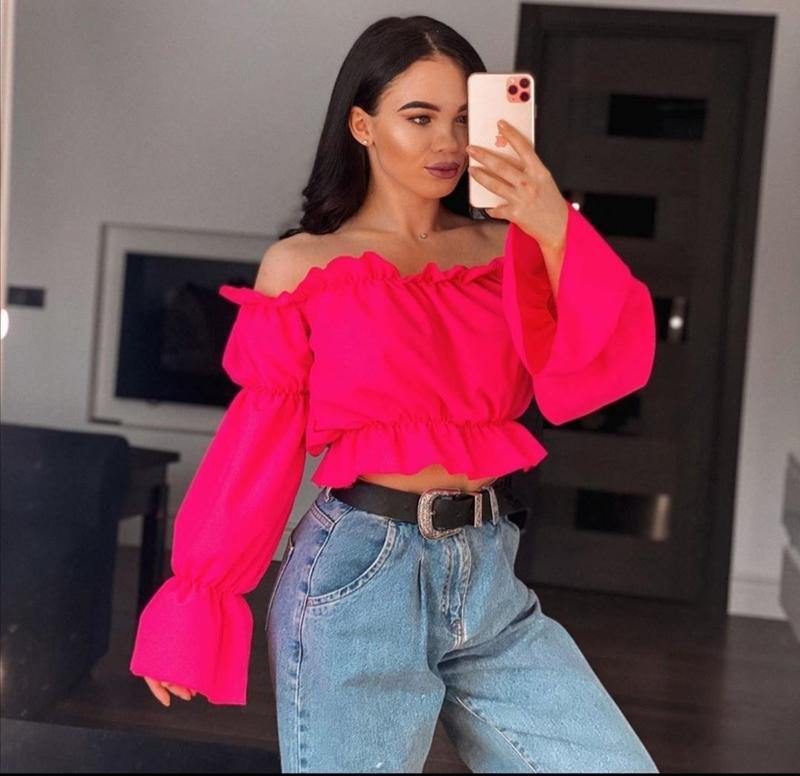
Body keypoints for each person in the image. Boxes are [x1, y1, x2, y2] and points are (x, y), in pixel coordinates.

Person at [129, 14, 659, 774]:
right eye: (420, 117)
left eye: (465, 119)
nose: (449, 142)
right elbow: (257, 447)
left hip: (489, 577)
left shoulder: (505, 252)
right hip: (359, 578)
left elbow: (609, 360)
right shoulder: (304, 266)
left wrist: (553, 226)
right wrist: (198, 600)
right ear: (362, 126)